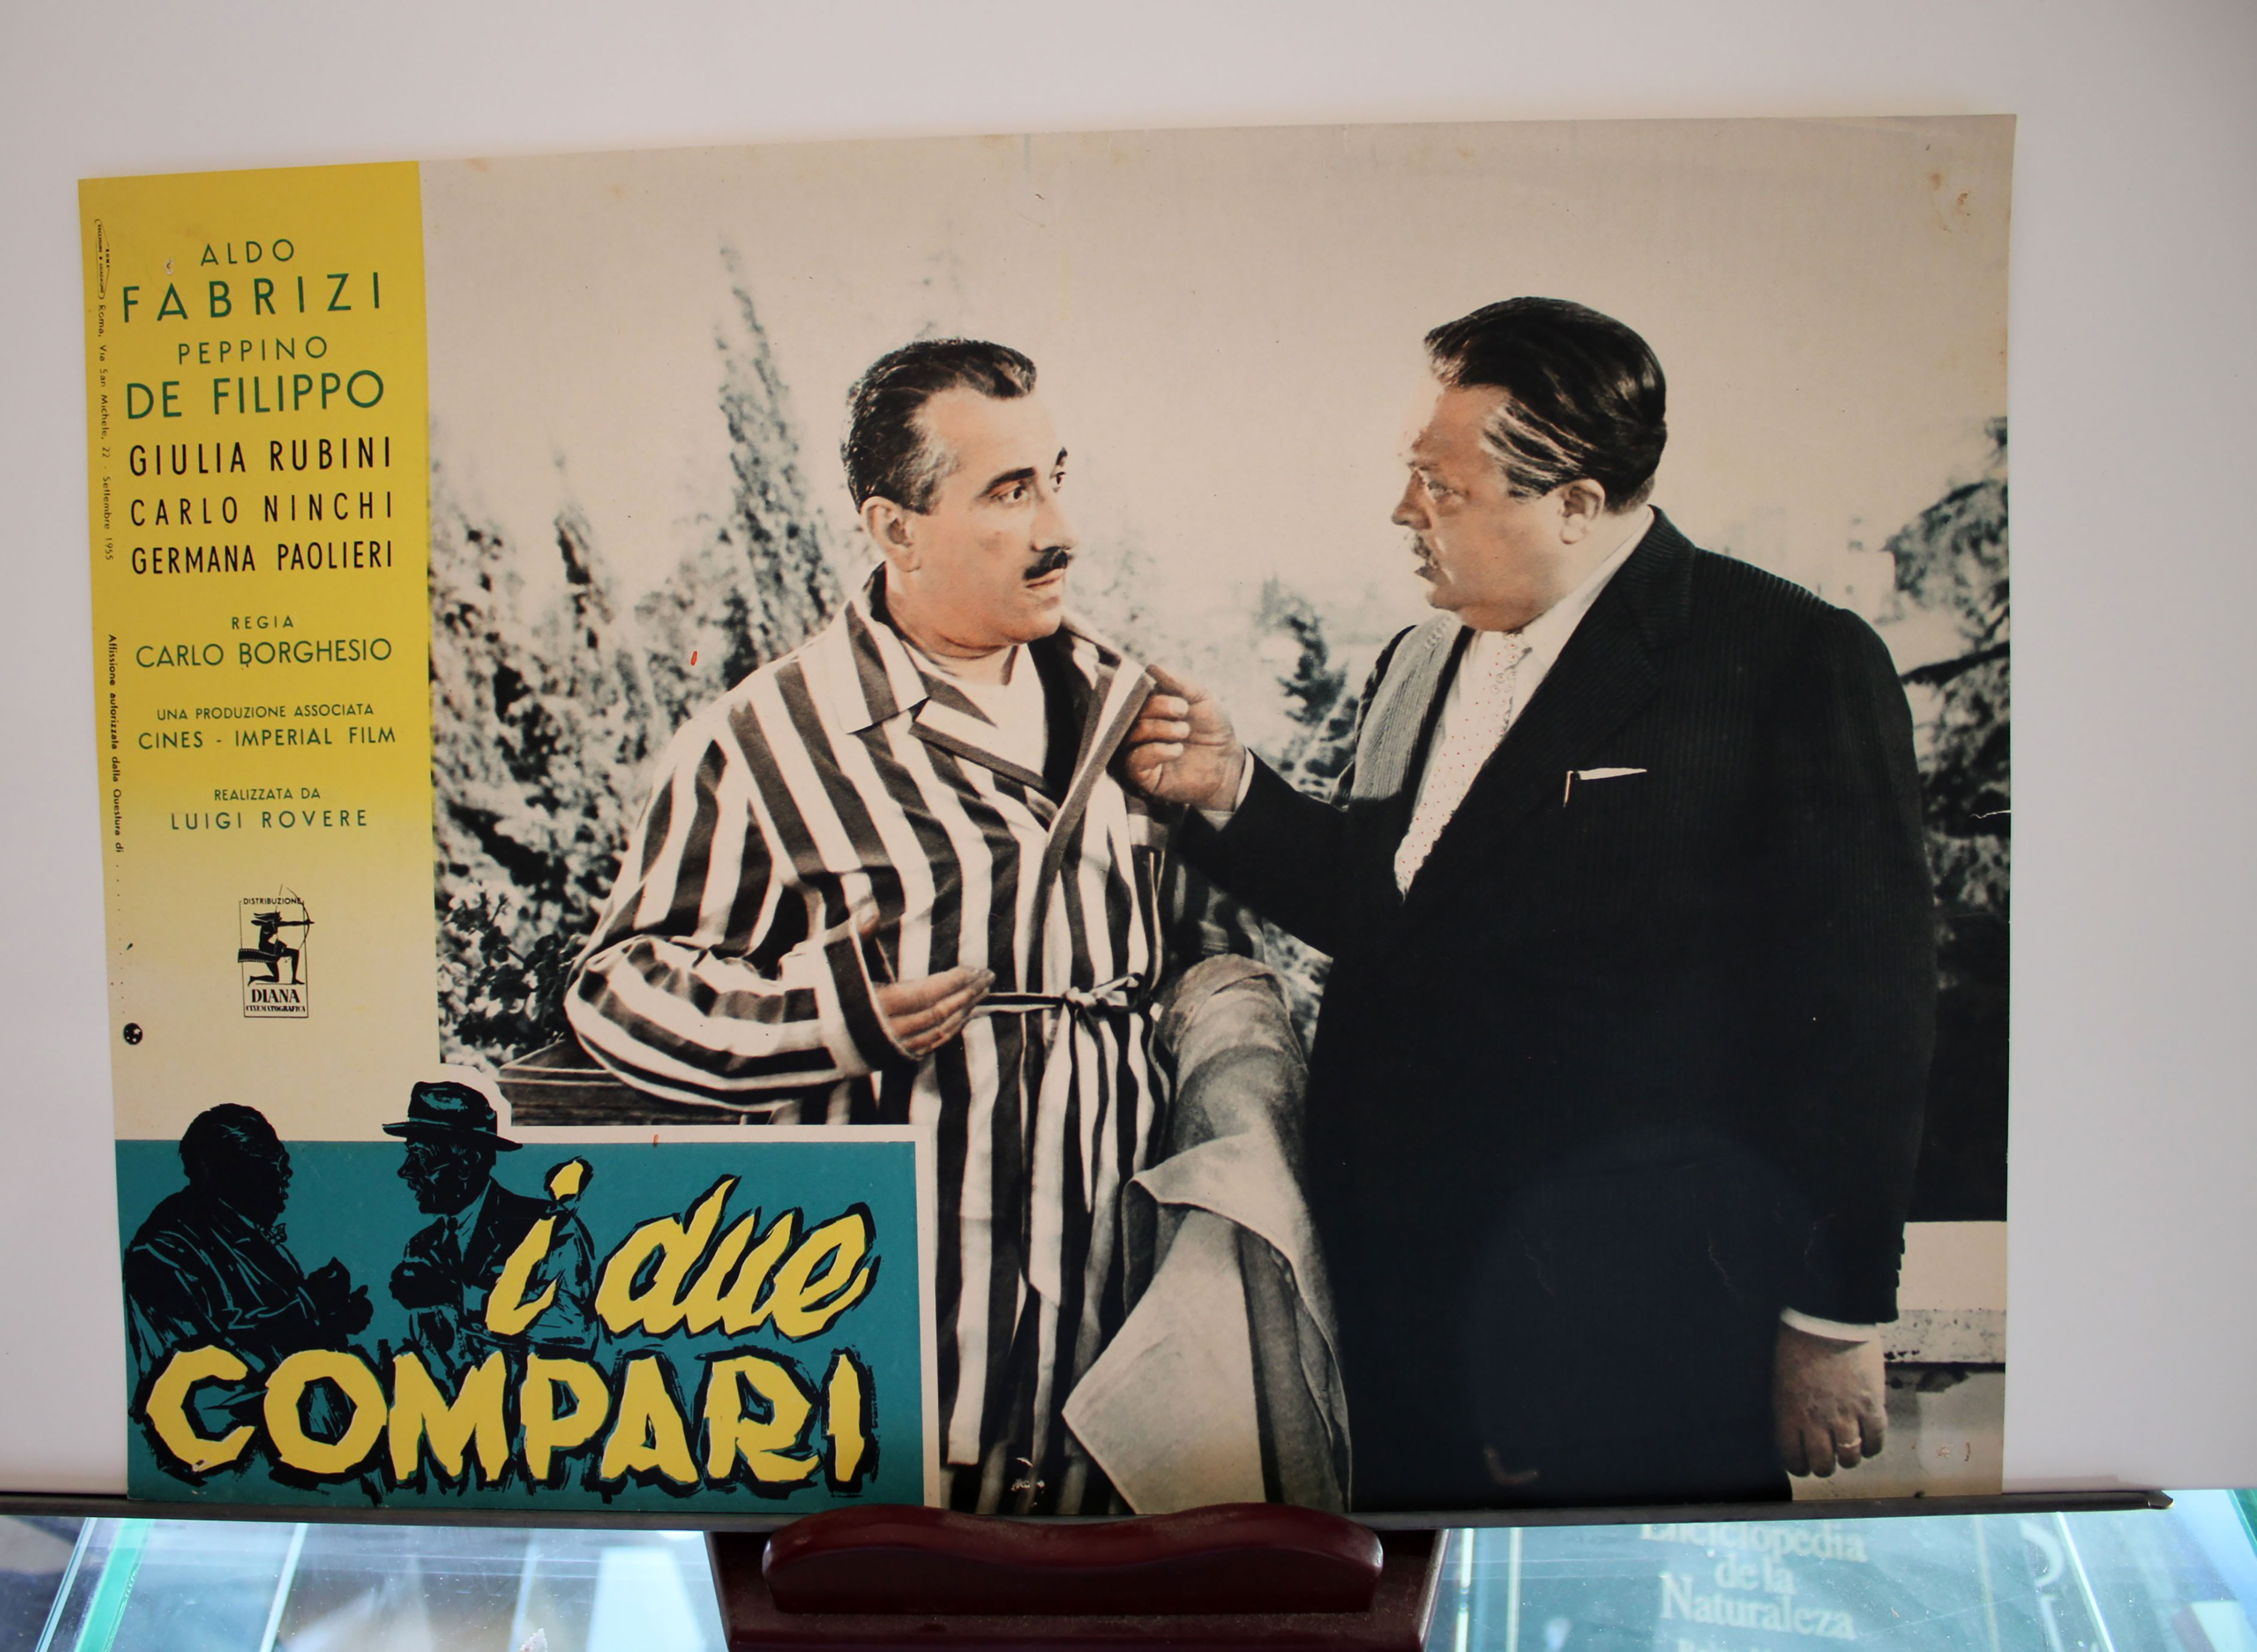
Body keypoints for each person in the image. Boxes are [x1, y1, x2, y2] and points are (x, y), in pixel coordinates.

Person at [1123, 297, 1935, 1509]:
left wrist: (1830, 1315)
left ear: (1572, 501)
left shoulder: (1786, 659)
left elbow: (1866, 1011)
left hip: (1639, 1339)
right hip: (1402, 1325)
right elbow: (1397, 915)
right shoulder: (1413, 660)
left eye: (1437, 486)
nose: (1402, 512)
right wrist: (1230, 790)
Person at [566, 339, 1171, 1514]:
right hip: (905, 1349)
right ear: (895, 529)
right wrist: (832, 1017)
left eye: (1055, 478)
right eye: (1009, 492)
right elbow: (619, 986)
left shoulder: (1126, 705)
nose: (1059, 530)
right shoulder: (767, 739)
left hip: (1114, 1337)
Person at [123, 1104, 372, 1409]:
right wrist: (311, 1305)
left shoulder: (243, 1234)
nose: (287, 1174)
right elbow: (217, 1363)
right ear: (236, 1173)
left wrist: (335, 1319)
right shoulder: (167, 1251)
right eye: (275, 1162)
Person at [384, 1078, 595, 1379]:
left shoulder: (549, 1226)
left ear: (468, 1161)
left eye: (421, 1157)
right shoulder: (422, 1246)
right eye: (410, 1154)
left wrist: (460, 1296)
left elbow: (574, 1329)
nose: (405, 1171)